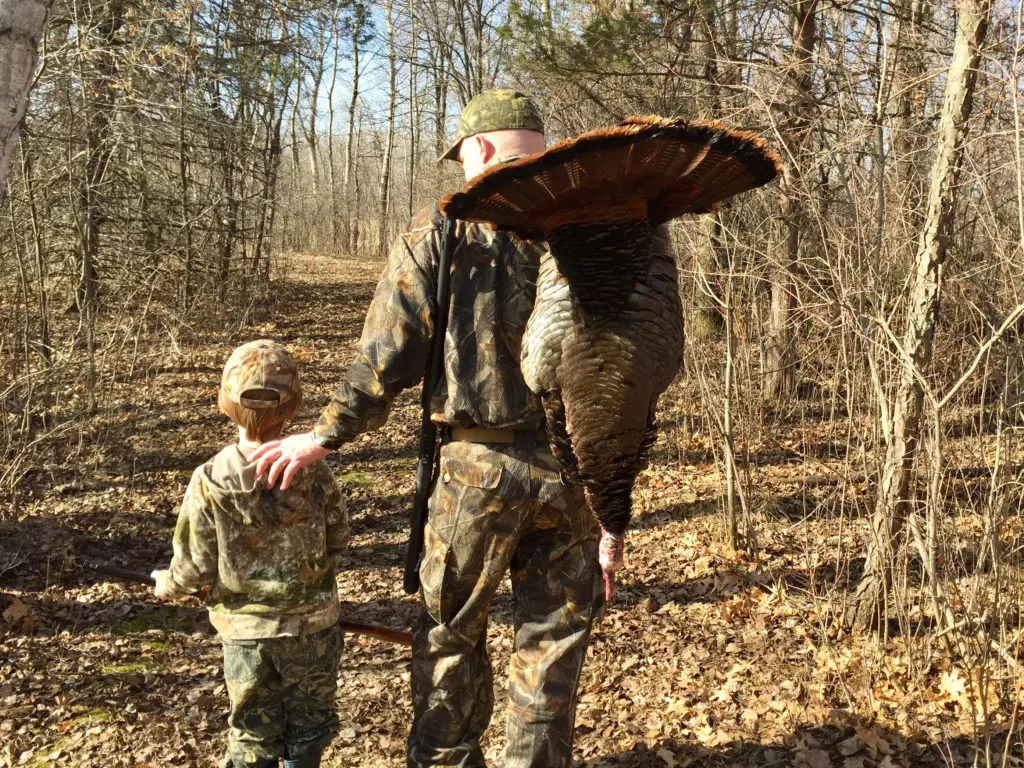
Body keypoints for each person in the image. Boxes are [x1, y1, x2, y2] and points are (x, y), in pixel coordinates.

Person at [251, 89, 605, 768]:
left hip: (477, 472)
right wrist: (612, 496)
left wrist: (324, 435)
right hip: (573, 473)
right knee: (553, 639)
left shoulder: (440, 228)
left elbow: (389, 356)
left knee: (450, 635)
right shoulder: (586, 230)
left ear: (475, 149)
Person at [152, 340, 350, 768]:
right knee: (309, 729)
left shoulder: (210, 478)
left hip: (246, 635)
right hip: (312, 628)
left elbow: (192, 566)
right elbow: (339, 536)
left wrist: (167, 585)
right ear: (293, 409)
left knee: (252, 732)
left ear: (225, 405)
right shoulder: (313, 469)